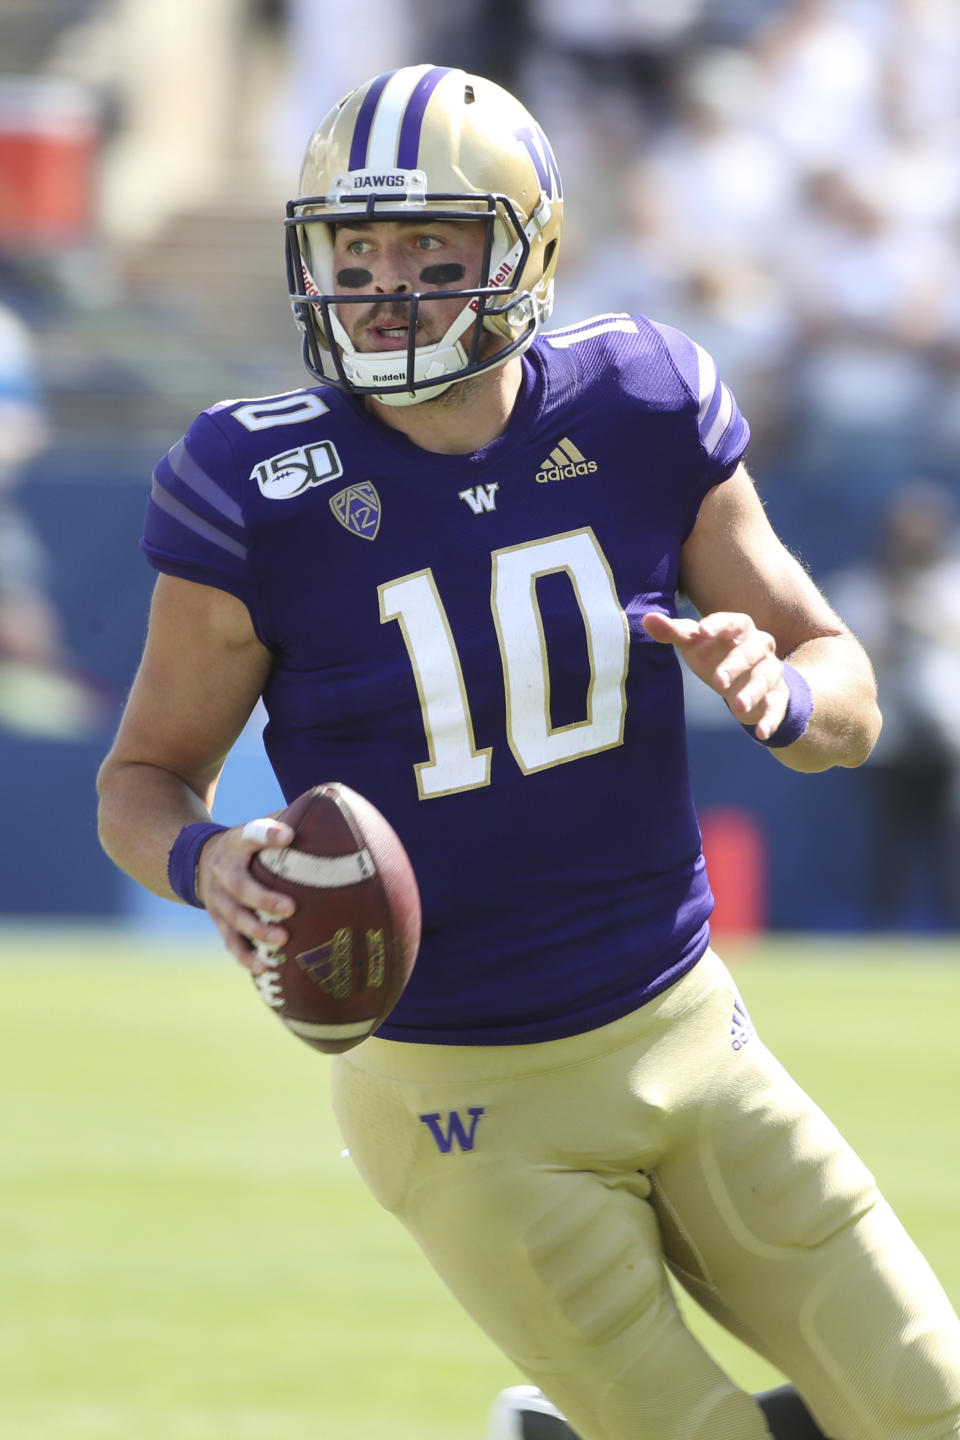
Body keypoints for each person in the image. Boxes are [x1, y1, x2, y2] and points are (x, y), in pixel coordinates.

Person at [96, 65, 960, 1440]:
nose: (385, 287)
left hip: (691, 1030)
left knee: (930, 1406)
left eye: (432, 252)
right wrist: (208, 862)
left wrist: (783, 697)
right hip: (461, 1094)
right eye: (353, 250)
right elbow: (140, 783)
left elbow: (839, 681)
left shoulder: (642, 401)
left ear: (526, 250)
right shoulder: (252, 488)